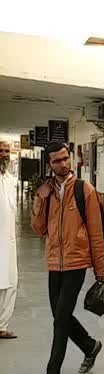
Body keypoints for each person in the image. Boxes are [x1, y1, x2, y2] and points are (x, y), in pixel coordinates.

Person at [30, 142, 104, 374]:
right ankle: (90, 345)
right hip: (54, 262)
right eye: (56, 161)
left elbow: (97, 234)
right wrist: (40, 198)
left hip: (76, 263)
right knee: (59, 315)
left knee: (61, 319)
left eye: (65, 159)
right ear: (49, 165)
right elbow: (38, 229)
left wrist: (101, 272)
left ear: (71, 159)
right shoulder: (47, 193)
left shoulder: (84, 190)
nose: (62, 164)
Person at [0, 140, 18, 340]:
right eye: (1, 150)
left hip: (9, 241)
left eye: (6, 151)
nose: (4, 154)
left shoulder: (10, 178)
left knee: (11, 283)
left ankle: (2, 326)